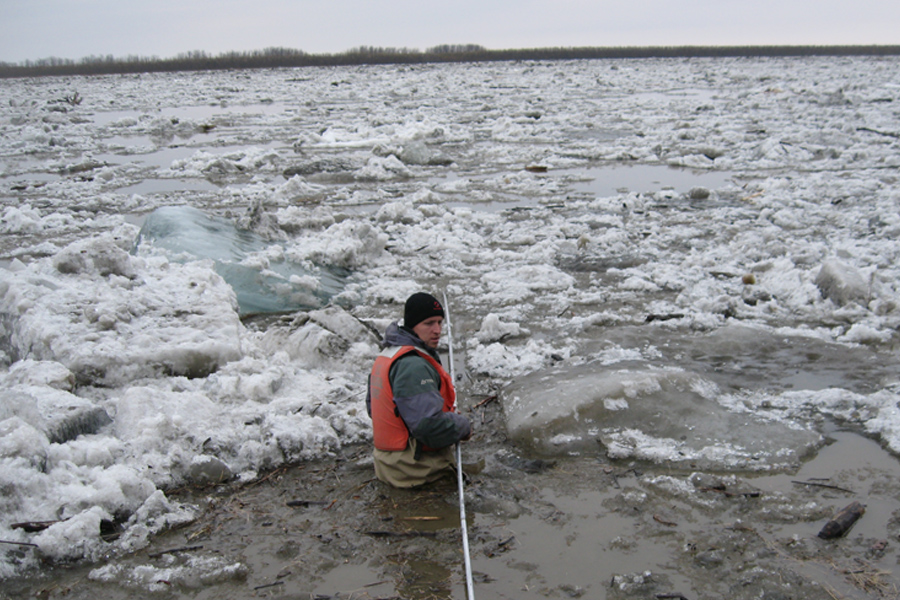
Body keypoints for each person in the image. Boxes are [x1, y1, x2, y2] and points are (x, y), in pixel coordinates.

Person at [366, 292, 472, 487]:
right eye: (429, 323)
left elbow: (373, 409)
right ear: (412, 325)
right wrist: (462, 426)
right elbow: (429, 427)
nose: (437, 330)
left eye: (440, 322)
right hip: (412, 471)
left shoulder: (388, 354)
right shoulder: (413, 366)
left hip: (386, 463)